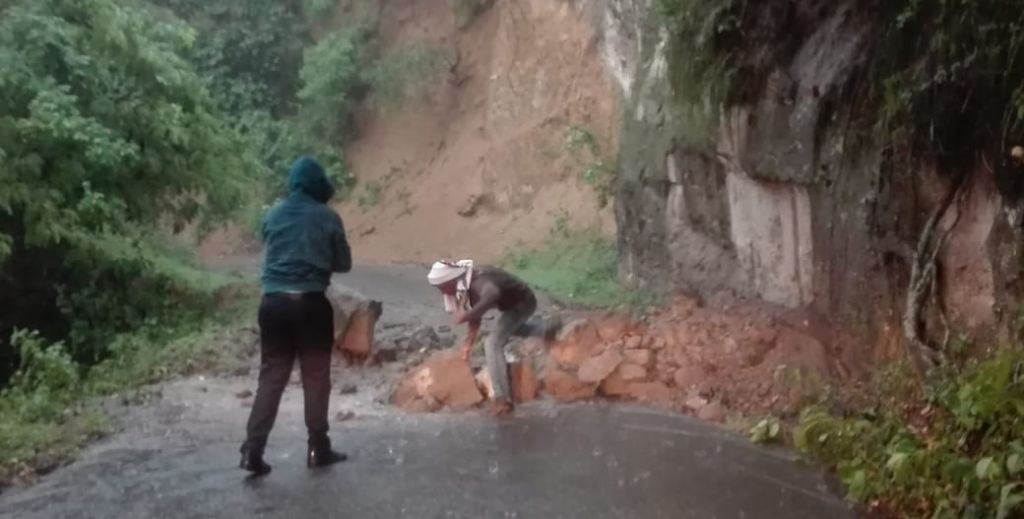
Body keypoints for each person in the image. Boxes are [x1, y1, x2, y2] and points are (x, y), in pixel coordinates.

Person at [239, 156, 351, 476]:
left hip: (272, 305)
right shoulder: (328, 217)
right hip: (311, 306)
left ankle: (252, 449)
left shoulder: (273, 215)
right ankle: (318, 448)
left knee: (271, 378)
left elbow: (270, 242)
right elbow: (343, 264)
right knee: (316, 380)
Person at [427, 260, 558, 416]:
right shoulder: (462, 285)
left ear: (449, 281)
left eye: (442, 287)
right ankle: (545, 330)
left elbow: (492, 294)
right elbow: (475, 317)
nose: (442, 292)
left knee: (492, 343)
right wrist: (468, 345)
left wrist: (467, 315)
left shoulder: (477, 280)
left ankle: (503, 399)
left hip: (523, 302)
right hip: (511, 306)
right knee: (512, 330)